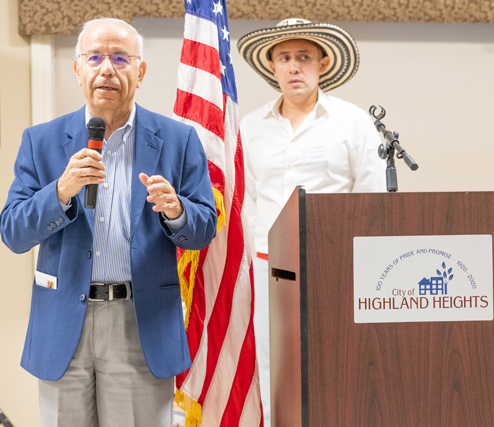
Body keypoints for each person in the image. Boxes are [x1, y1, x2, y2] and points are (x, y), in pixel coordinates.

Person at [0, 18, 217, 427]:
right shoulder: (41, 140)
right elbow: (12, 231)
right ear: (78, 68)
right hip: (64, 324)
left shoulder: (178, 139)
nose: (107, 69)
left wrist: (176, 211)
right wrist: (61, 191)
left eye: (120, 58)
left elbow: (204, 227)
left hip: (142, 323)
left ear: (141, 70)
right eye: (95, 57)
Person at [237, 18, 386, 426]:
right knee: (270, 367)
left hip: (334, 268)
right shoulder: (250, 127)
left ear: (322, 63)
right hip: (269, 270)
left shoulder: (354, 122)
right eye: (284, 58)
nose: (294, 67)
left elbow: (371, 200)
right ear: (272, 67)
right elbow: (245, 204)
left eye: (304, 57)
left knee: (335, 364)